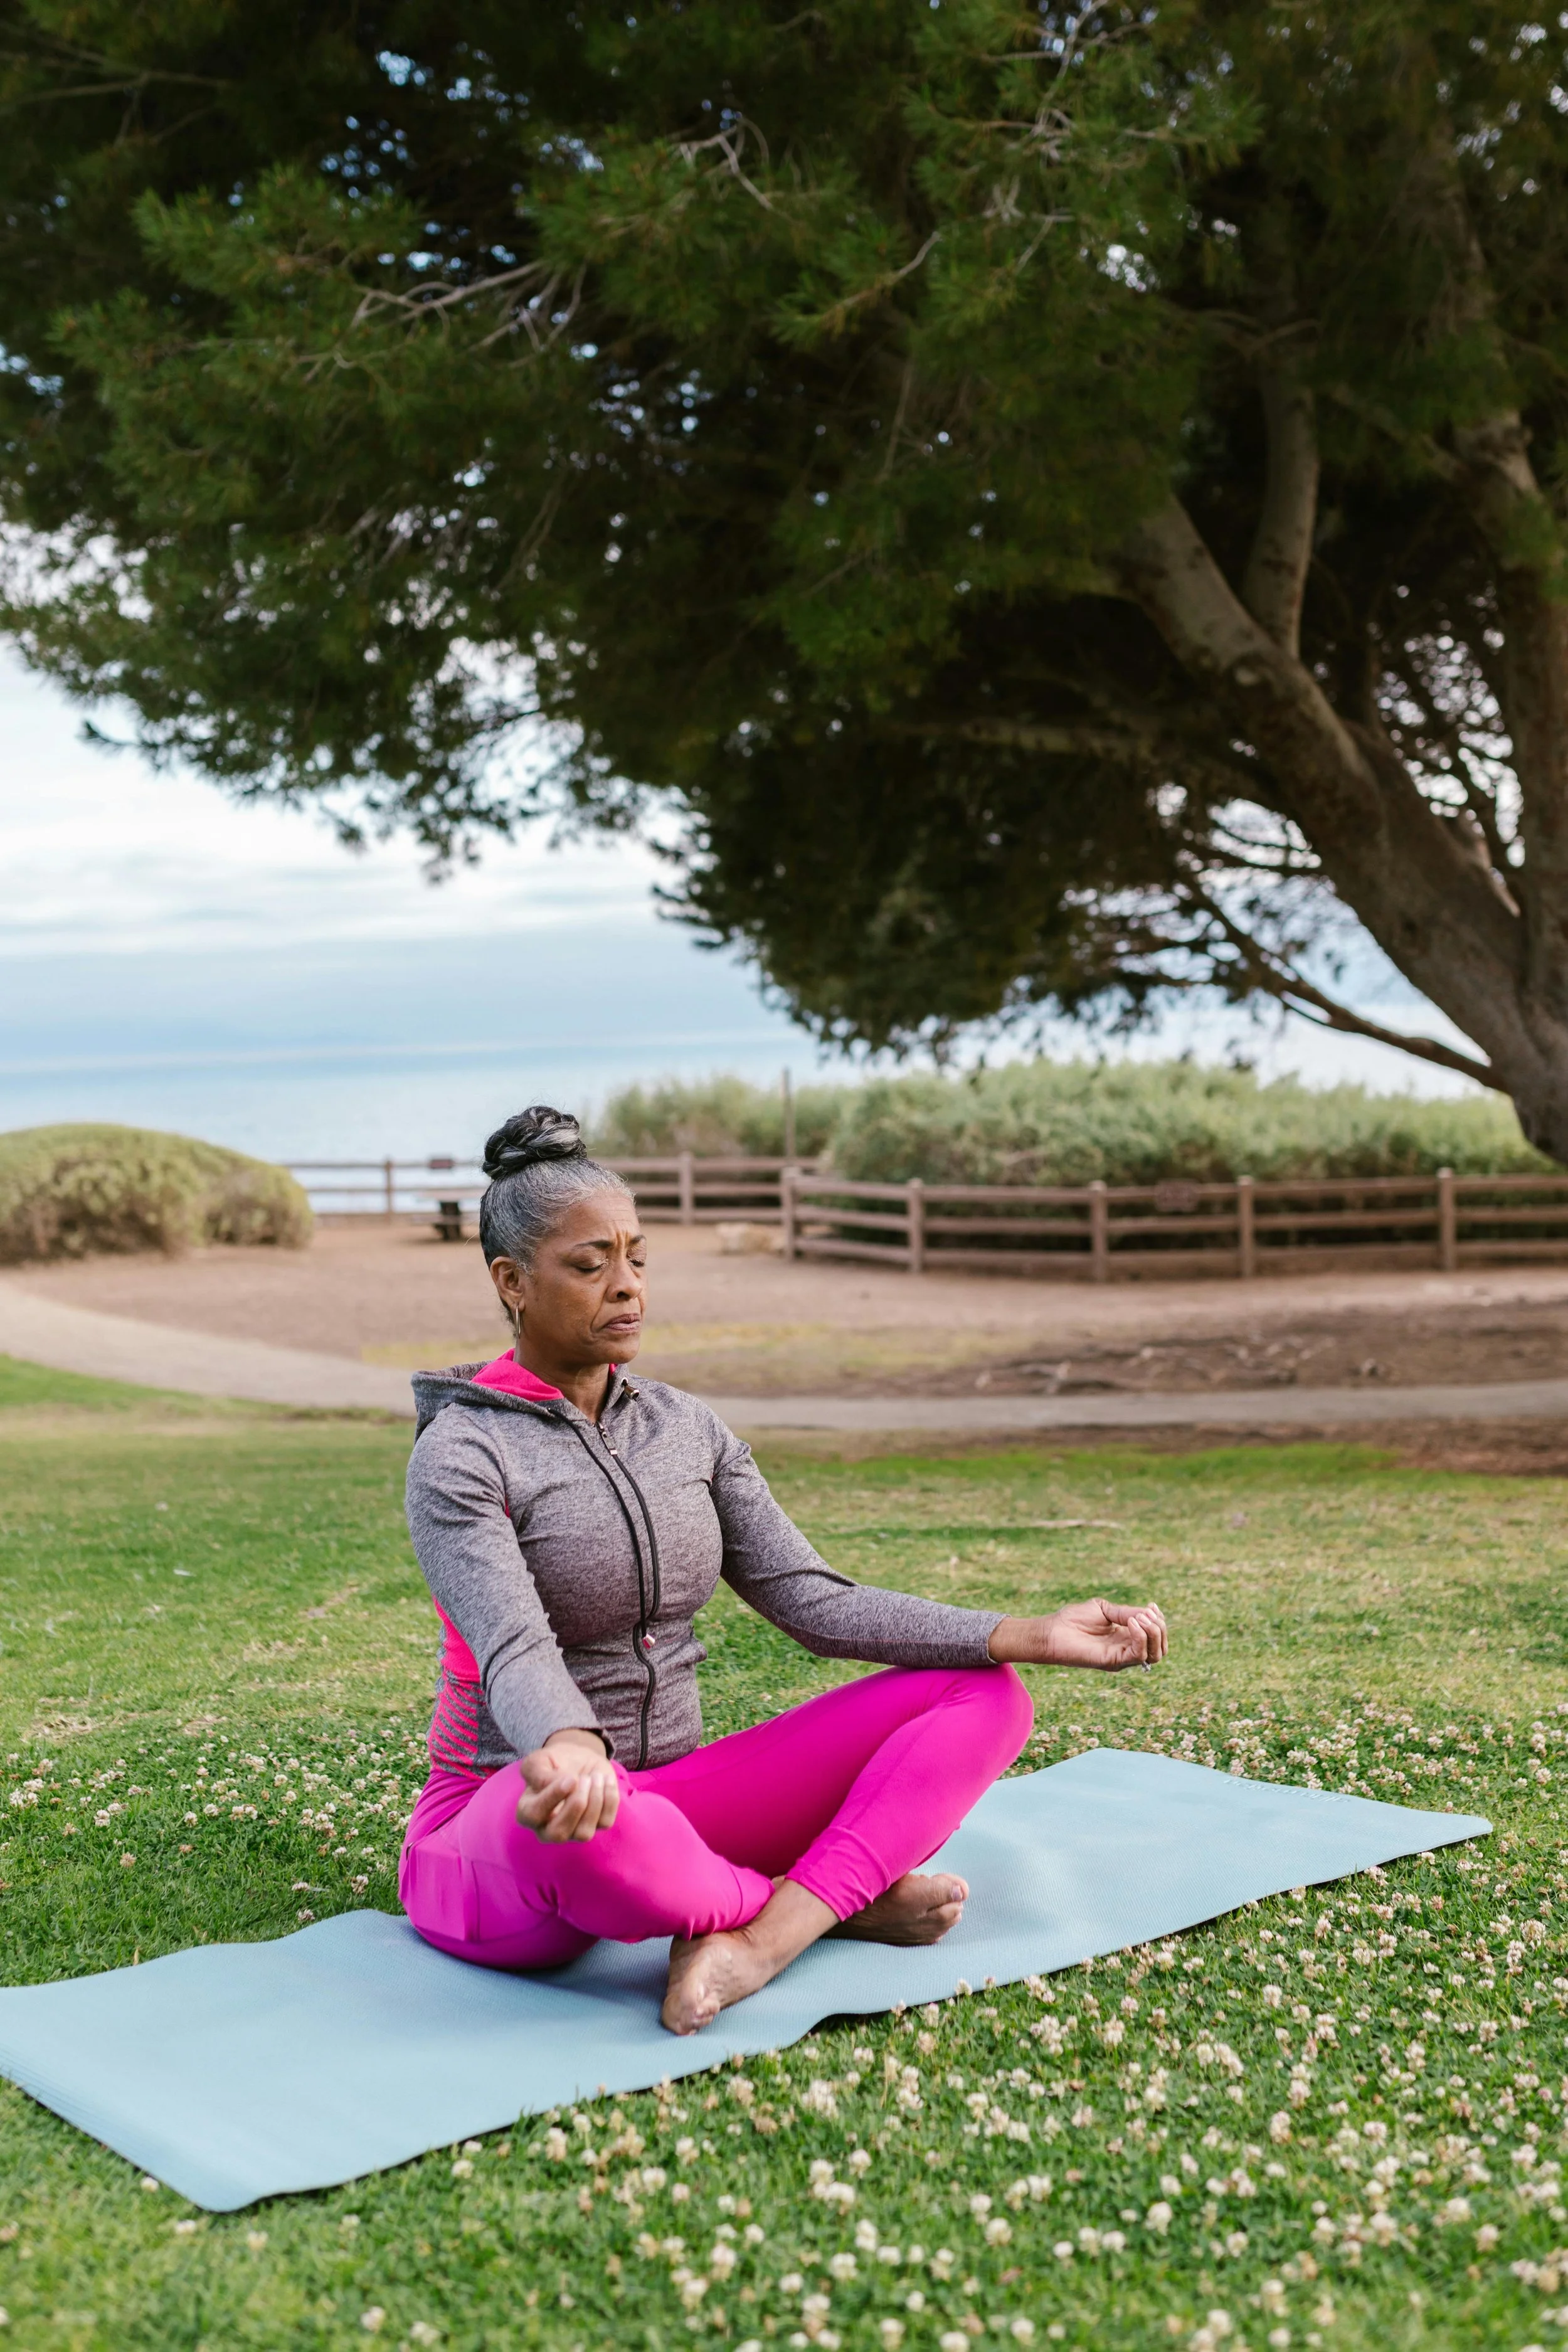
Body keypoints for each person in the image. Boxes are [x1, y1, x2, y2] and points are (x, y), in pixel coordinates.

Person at [398, 1106, 1168, 2035]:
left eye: (637, 1257)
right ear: (512, 1281)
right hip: (516, 1815)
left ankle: (763, 1936)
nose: (628, 1286)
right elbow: (513, 1639)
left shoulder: (685, 1428)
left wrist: (1025, 1632)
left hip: (677, 1803)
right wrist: (568, 1744)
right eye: (589, 1263)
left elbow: (810, 1598)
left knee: (990, 1696)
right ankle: (831, 1896)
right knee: (598, 1833)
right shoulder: (463, 1451)